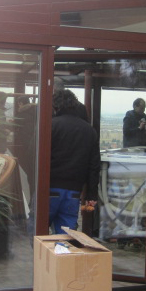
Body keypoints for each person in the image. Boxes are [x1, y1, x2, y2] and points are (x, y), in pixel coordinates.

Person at [49, 89, 100, 234]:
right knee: (66, 236)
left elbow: (32, 154)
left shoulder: (50, 126)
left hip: (48, 187)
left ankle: (41, 256)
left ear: (56, 106)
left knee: (36, 231)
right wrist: (91, 195)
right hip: (73, 192)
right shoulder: (89, 131)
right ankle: (61, 255)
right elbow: (94, 166)